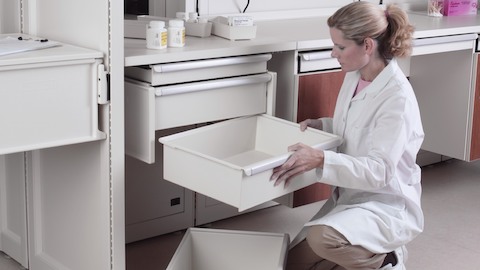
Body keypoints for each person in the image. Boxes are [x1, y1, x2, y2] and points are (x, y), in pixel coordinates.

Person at [270, 2, 424, 270]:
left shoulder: (396, 98)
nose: (333, 53)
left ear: (367, 46)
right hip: (350, 196)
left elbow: (380, 171)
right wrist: (323, 125)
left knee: (322, 240)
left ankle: (387, 259)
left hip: (384, 202)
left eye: (340, 47)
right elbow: (357, 127)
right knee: (290, 264)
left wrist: (321, 159)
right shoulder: (356, 75)